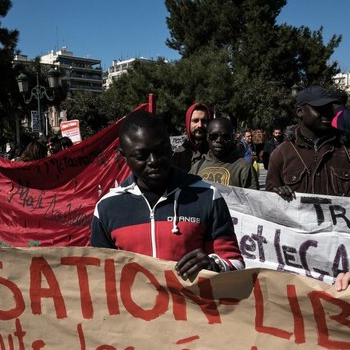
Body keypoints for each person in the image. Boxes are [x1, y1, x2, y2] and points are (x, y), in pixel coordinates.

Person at [91, 110, 244, 279]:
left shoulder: (208, 196)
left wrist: (215, 265)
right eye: (141, 156)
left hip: (194, 304)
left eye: (161, 151)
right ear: (124, 156)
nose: (154, 161)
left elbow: (236, 263)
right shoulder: (107, 208)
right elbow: (99, 276)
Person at [266, 86, 350, 199]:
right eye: (320, 109)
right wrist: (278, 194)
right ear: (300, 111)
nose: (327, 113)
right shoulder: (282, 153)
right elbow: (270, 201)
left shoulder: (349, 152)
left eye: (329, 108)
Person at [190, 117, 258, 189]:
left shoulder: (244, 168)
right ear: (207, 137)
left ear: (232, 138)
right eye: (213, 136)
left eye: (225, 137)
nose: (219, 140)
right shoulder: (197, 167)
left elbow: (253, 199)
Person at [172, 102, 211, 171]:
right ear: (188, 123)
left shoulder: (215, 150)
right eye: (195, 121)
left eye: (204, 121)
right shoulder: (179, 153)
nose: (200, 125)